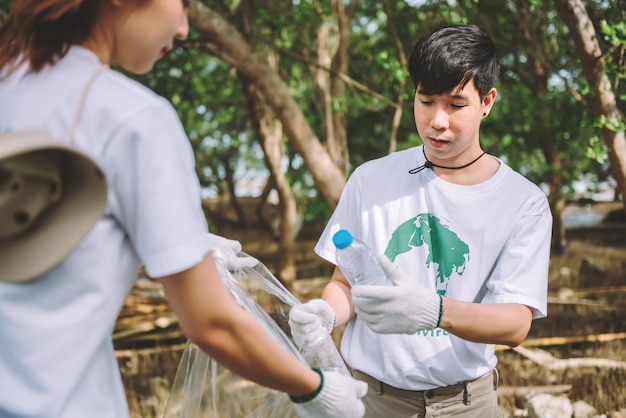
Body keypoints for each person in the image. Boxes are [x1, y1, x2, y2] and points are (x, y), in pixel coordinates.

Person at [0, 1, 367, 417]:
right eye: (183, 4)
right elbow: (211, 324)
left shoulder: (11, 85)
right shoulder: (134, 119)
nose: (183, 29)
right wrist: (313, 388)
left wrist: (156, 243)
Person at [288, 24, 552, 417]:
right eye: (426, 101)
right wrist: (326, 314)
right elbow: (346, 283)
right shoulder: (371, 179)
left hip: (467, 403)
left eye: (455, 105)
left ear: (487, 101)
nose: (437, 121)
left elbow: (514, 324)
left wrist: (435, 311)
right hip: (372, 399)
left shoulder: (522, 202)